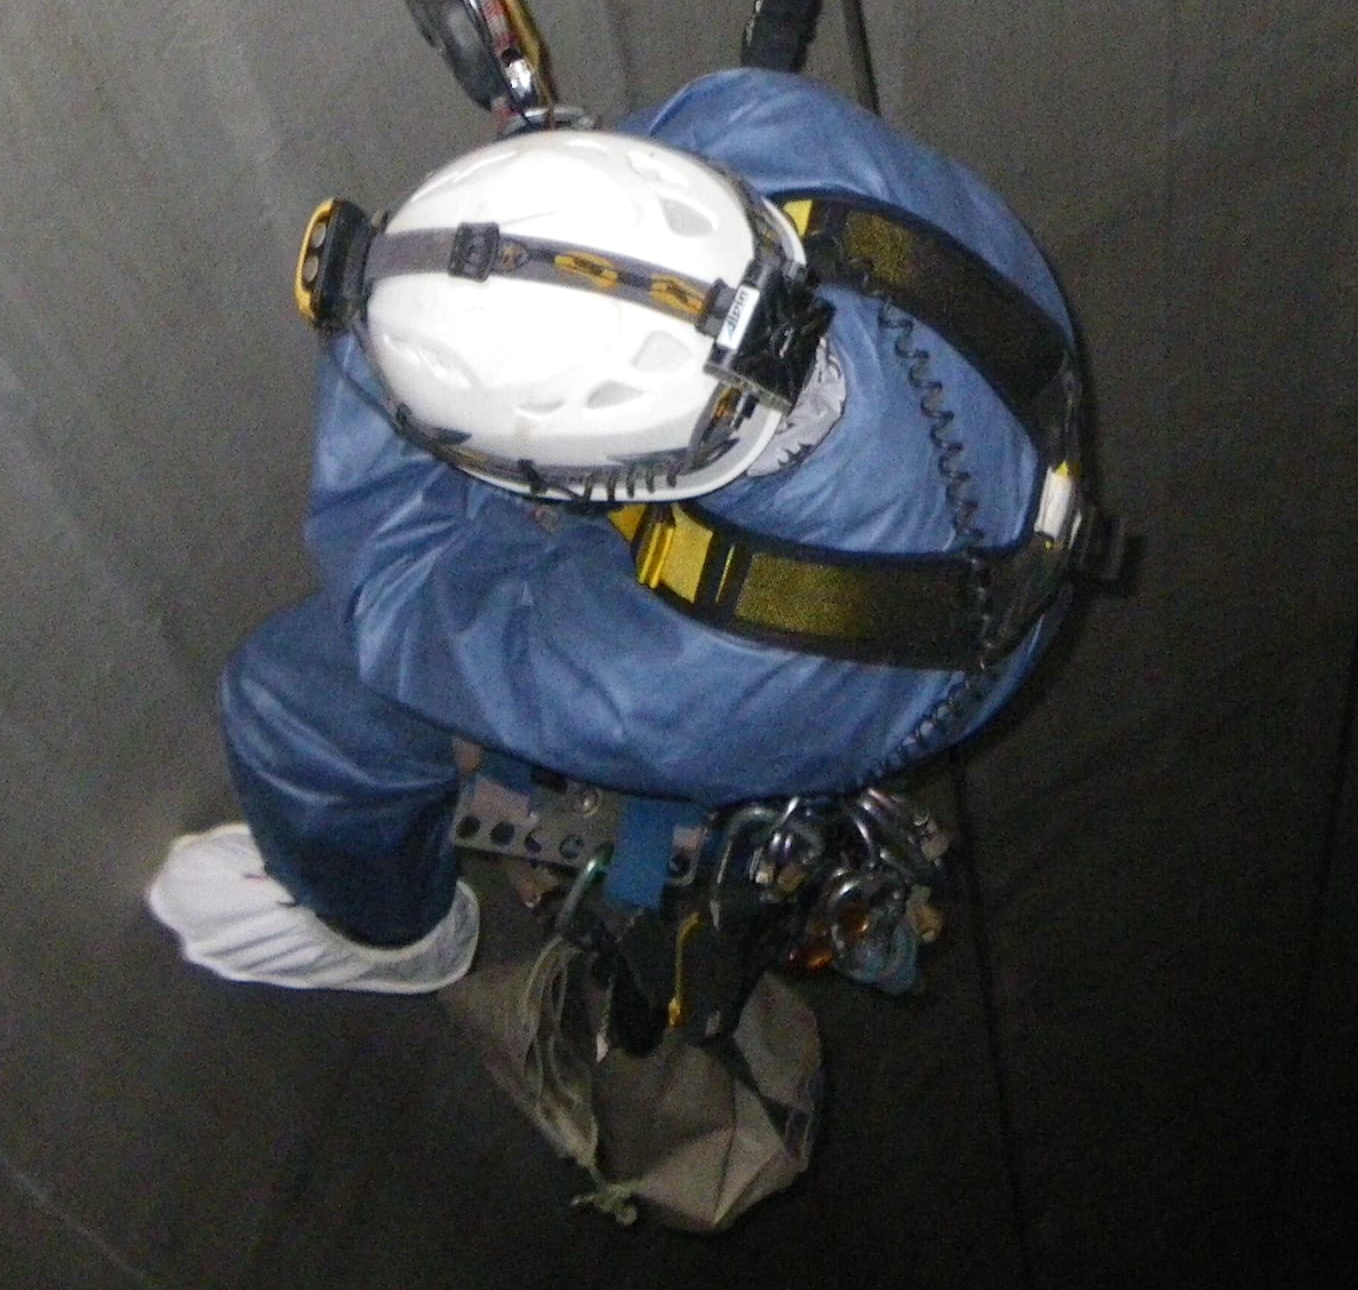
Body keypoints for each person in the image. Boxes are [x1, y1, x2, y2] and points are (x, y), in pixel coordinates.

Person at [146, 69, 1089, 993]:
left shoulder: (683, 680)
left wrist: (376, 355)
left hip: (843, 668)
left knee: (291, 703)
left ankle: (393, 932)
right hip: (1000, 445)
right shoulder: (772, 127)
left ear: (611, 479)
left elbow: (399, 598)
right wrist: (410, 273)